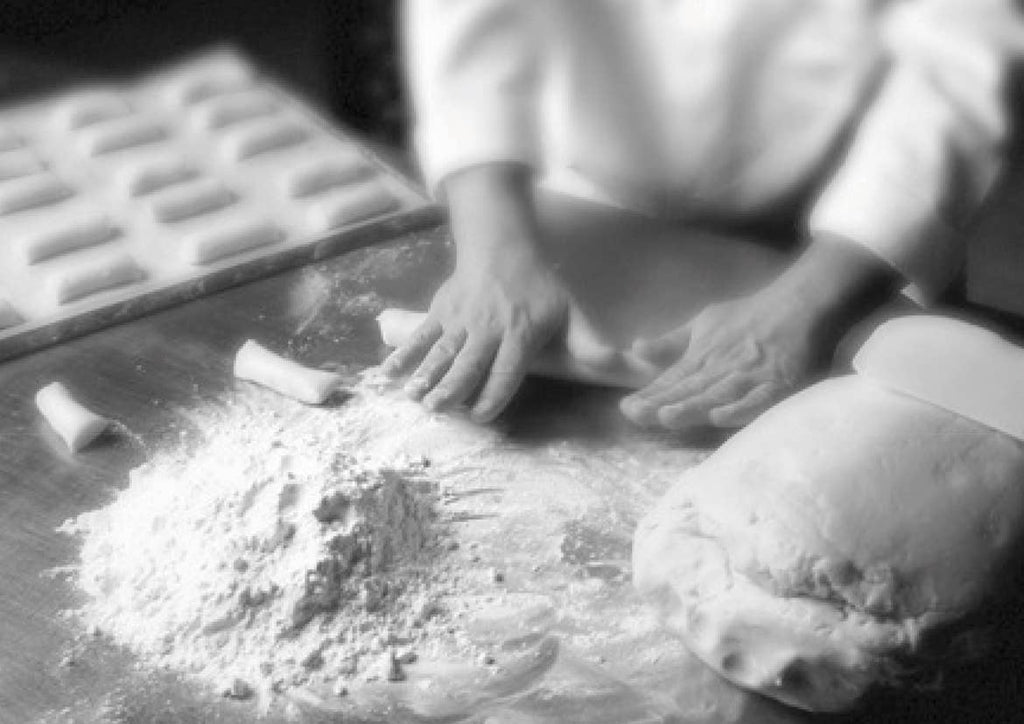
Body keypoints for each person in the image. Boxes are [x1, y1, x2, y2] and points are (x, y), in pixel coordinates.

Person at [383, 0, 1024, 431]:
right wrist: (496, 250)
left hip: (859, 228)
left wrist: (810, 299)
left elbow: (958, 56)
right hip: (590, 210)